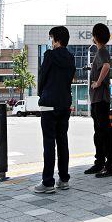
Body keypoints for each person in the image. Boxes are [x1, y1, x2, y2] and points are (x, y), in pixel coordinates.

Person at [34, 26, 76, 194]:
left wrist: (41, 93)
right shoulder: (71, 58)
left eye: (52, 38)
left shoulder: (49, 55)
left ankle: (48, 182)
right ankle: (64, 179)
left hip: (49, 102)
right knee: (63, 141)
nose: (51, 42)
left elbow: (42, 76)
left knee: (49, 143)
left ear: (57, 39)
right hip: (64, 103)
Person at [84, 23, 112, 178]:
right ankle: (99, 163)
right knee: (99, 133)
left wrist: (97, 83)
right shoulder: (99, 51)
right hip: (97, 100)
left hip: (101, 99)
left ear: (96, 36)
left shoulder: (102, 51)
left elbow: (106, 66)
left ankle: (110, 166)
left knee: (104, 133)